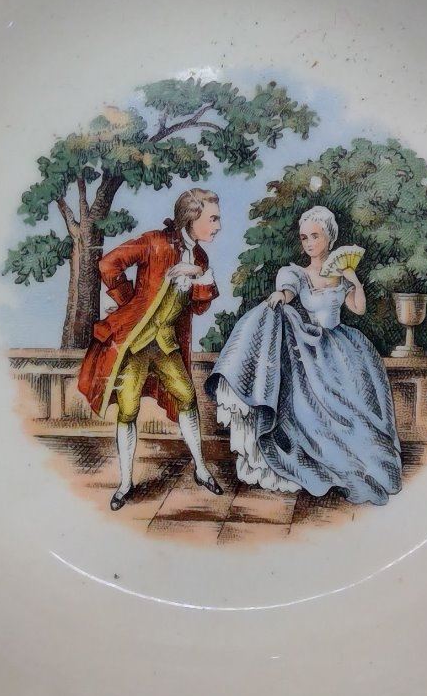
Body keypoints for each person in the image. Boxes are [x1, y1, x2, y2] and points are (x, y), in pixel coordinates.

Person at [205, 205, 402, 505]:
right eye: (304, 237)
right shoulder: (297, 273)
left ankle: (356, 460)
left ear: (330, 238)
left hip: (342, 349)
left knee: (352, 407)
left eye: (315, 236)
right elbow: (289, 291)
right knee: (307, 409)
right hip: (309, 348)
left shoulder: (342, 275)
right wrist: (280, 295)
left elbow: (358, 308)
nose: (309, 243)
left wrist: (354, 279)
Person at [75, 188, 228, 510]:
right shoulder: (155, 241)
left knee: (187, 398)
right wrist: (130, 304)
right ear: (192, 218)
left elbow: (200, 307)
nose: (218, 226)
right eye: (213, 219)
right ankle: (125, 483)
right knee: (128, 409)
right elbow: (108, 264)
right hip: (135, 345)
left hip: (166, 344)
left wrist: (200, 275)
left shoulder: (200, 258)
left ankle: (201, 469)